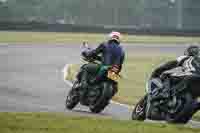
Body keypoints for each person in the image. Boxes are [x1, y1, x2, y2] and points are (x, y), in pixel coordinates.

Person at [146, 45, 200, 119]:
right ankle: (191, 110)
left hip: (191, 76)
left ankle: (164, 94)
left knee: (167, 75)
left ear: (188, 52)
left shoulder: (186, 58)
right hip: (195, 84)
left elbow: (170, 64)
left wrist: (157, 71)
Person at [79, 31, 125, 96]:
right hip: (115, 71)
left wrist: (86, 53)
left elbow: (94, 53)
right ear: (119, 39)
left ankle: (83, 86)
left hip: (105, 67)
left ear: (110, 37)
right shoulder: (122, 50)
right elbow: (121, 62)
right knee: (115, 85)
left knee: (85, 67)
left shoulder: (105, 44)